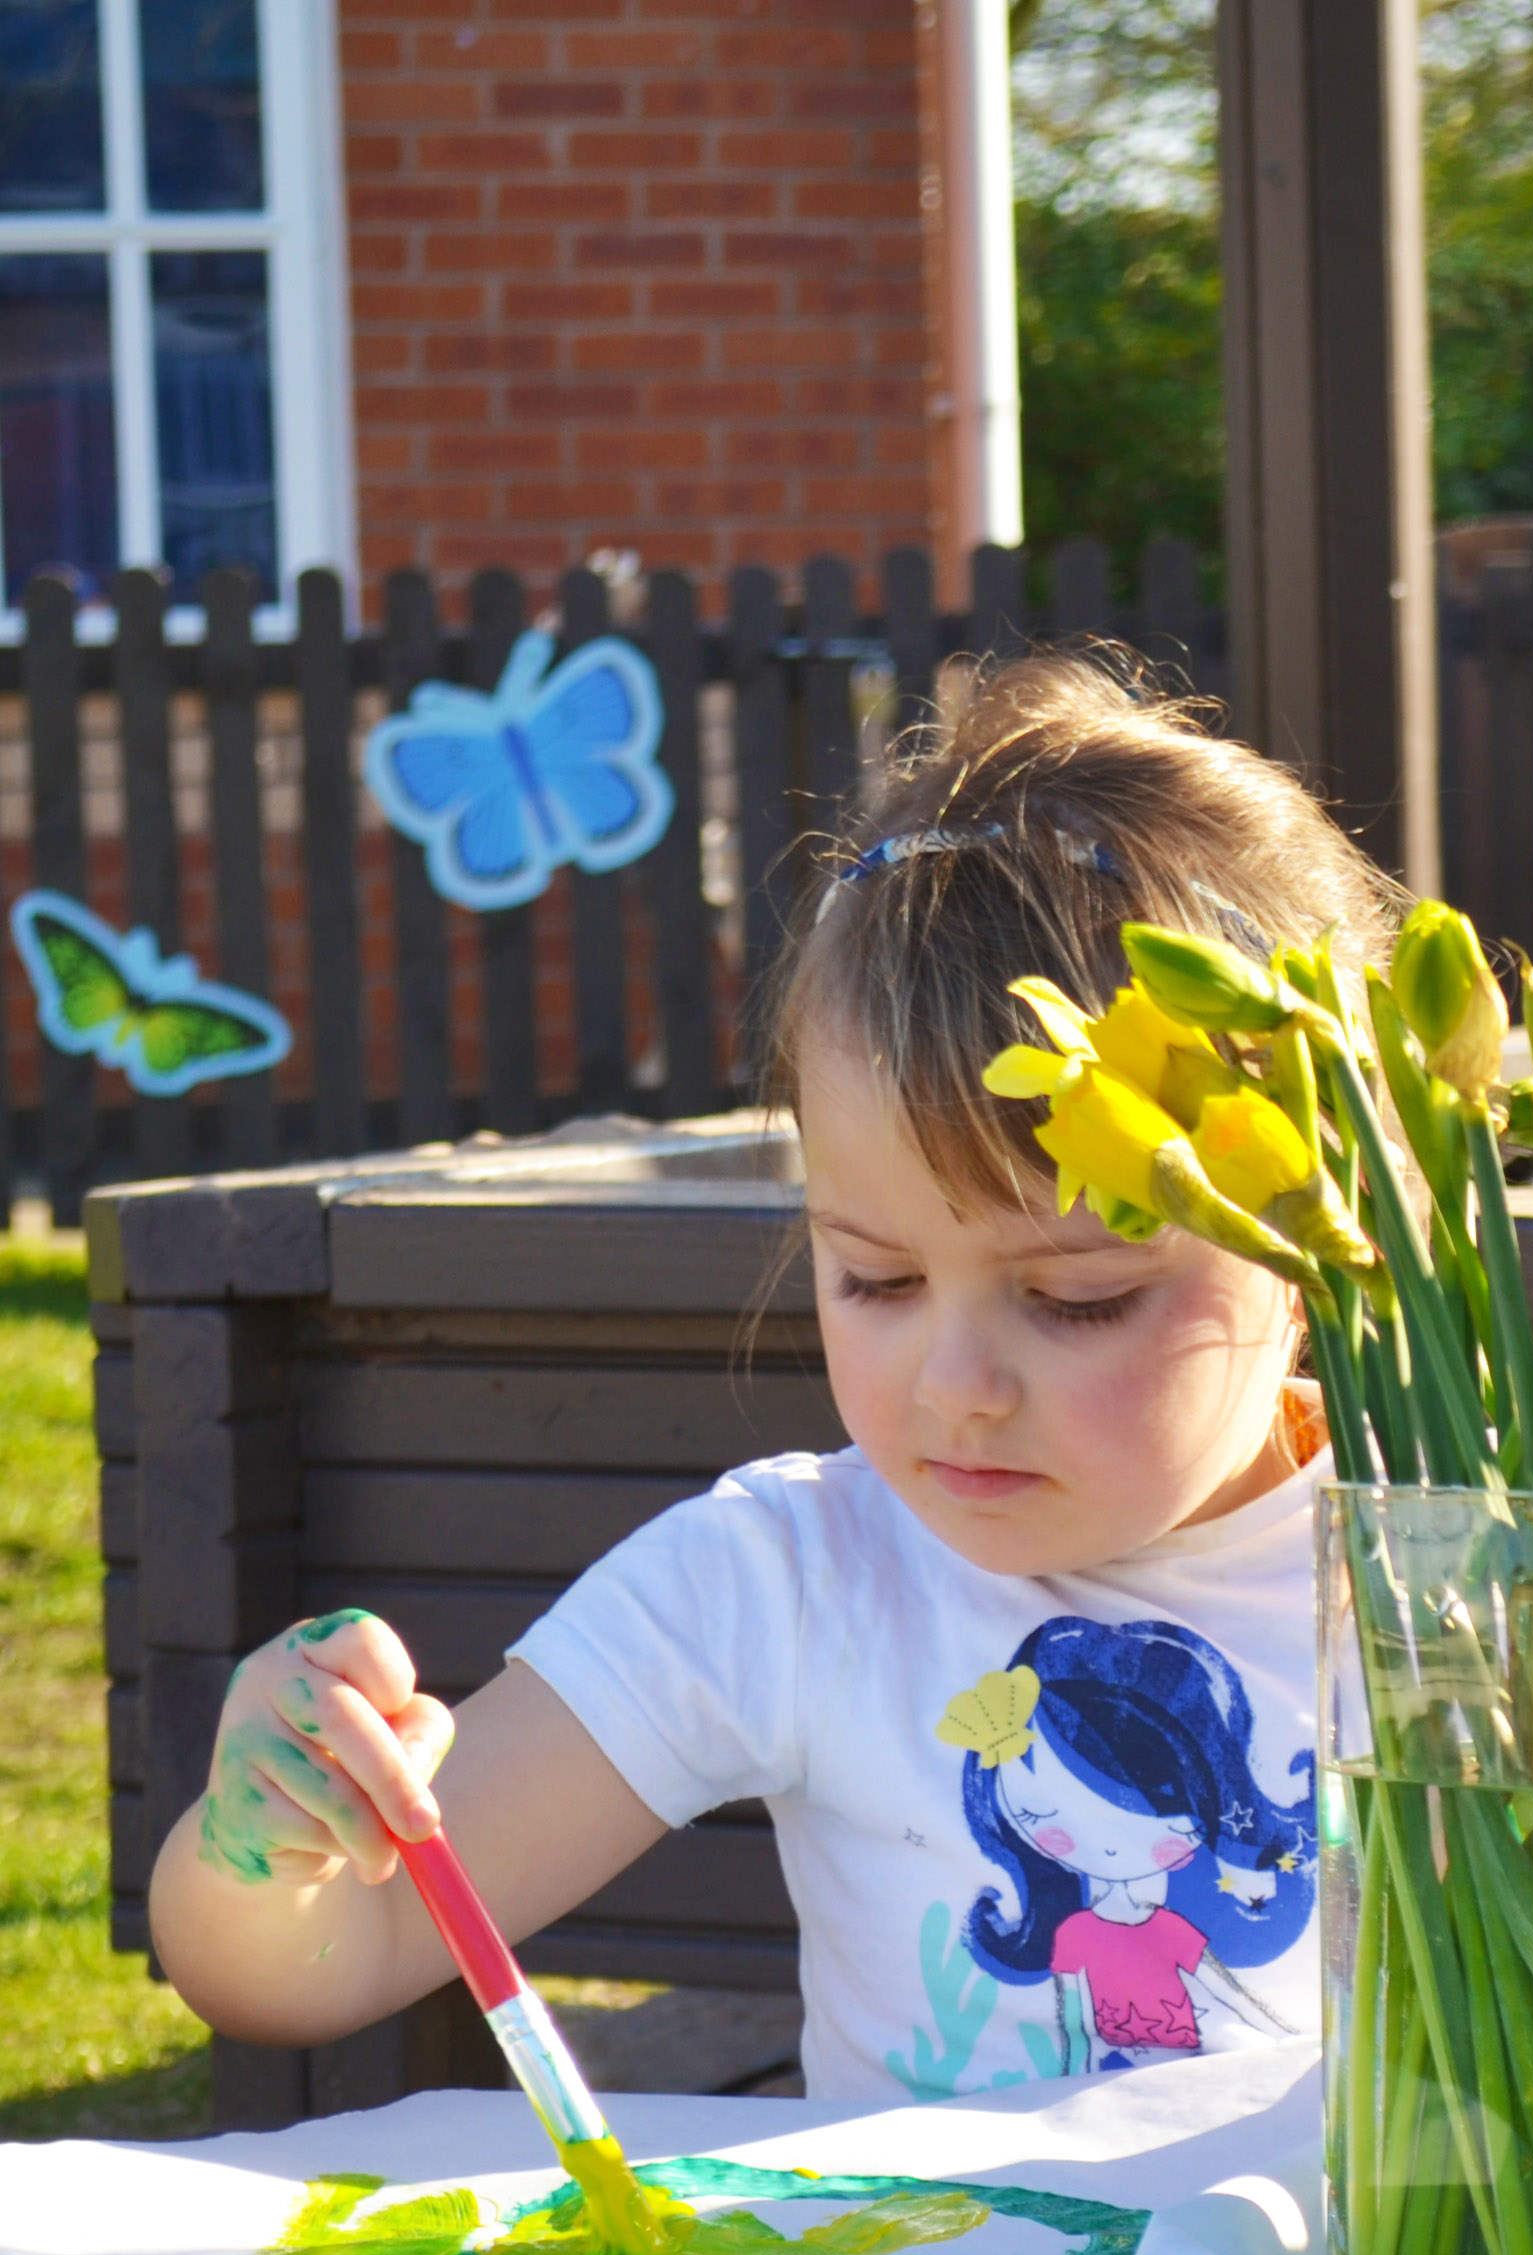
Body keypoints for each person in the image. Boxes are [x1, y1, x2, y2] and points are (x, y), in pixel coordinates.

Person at [150, 655, 1382, 2101]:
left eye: (1075, 1300)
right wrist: (275, 1837)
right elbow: (322, 1958)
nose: (960, 1384)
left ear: (1318, 1240)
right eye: (876, 1279)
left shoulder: (1469, 1586)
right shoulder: (789, 1578)